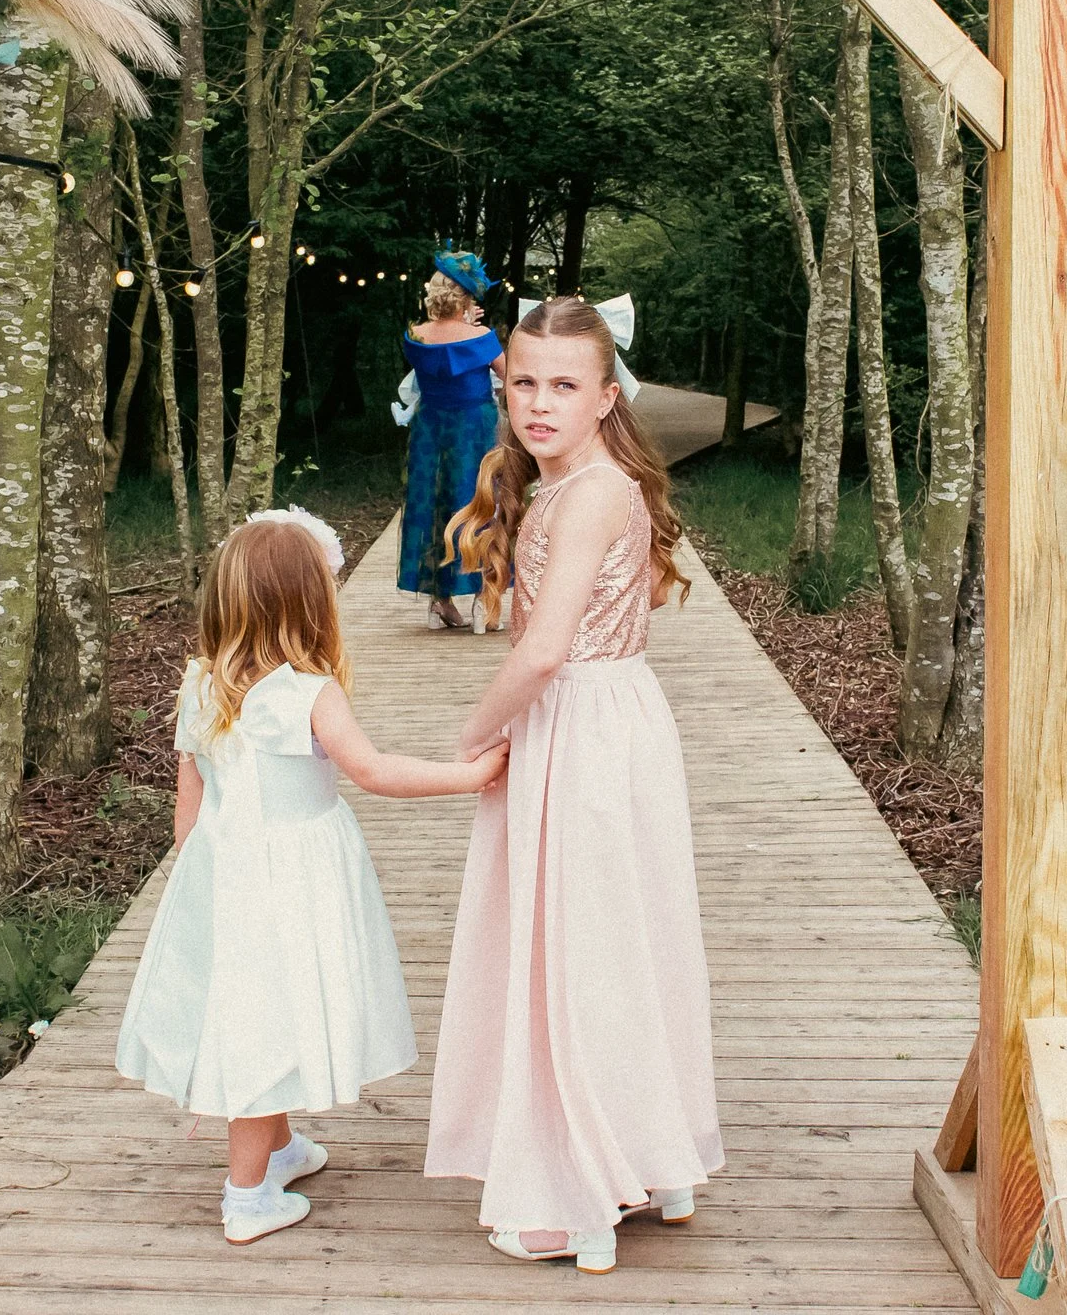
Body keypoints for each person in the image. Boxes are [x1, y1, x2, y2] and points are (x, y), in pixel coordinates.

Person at [423, 295, 723, 1275]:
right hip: (609, 718)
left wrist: (474, 735)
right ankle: (651, 1154)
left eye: (564, 385)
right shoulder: (578, 484)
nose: (538, 403)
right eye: (524, 382)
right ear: (501, 381)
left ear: (605, 396)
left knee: (572, 951)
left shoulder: (589, 492)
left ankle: (577, 1195)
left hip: (581, 727)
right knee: (614, 940)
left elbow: (545, 648)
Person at [115, 508, 510, 1245]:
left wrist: (201, 892)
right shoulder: (308, 693)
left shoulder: (201, 684)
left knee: (264, 1010)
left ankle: (283, 1149)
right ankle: (247, 1198)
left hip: (224, 879)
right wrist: (472, 774)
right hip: (291, 883)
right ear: (312, 603)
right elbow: (374, 771)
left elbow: (187, 807)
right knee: (266, 1031)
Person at [395, 251, 505, 631]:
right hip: (475, 430)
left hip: (430, 431)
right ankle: (481, 602)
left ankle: (439, 603)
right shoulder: (483, 338)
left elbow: (441, 347)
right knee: (481, 504)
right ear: (466, 300)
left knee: (435, 505)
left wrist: (460, 322)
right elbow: (512, 377)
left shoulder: (414, 337)